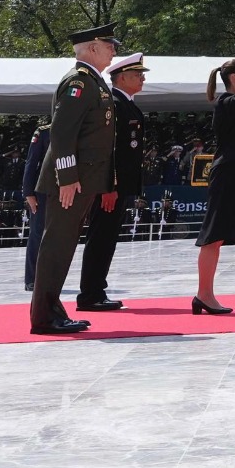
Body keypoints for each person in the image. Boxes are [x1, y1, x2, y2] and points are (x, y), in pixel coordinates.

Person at [28, 25, 119, 335]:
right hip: (70, 182)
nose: (113, 50)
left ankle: (51, 311)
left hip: (82, 181)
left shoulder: (93, 81)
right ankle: (45, 316)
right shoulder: (79, 82)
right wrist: (67, 177)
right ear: (92, 47)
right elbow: (62, 133)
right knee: (57, 246)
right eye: (109, 45)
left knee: (63, 247)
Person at [74, 52, 149, 310]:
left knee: (107, 237)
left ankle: (96, 290)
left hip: (119, 186)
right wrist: (110, 187)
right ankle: (91, 294)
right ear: (122, 77)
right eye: (137, 74)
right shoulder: (115, 104)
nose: (142, 79)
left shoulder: (126, 103)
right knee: (101, 237)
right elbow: (109, 150)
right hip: (111, 187)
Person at [194, 58, 235, 314]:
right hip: (227, 174)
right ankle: (204, 295)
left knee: (217, 238)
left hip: (234, 174)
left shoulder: (232, 105)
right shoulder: (226, 102)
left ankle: (205, 295)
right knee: (213, 236)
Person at [19, 119, 50, 291]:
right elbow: (31, 163)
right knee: (37, 234)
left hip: (64, 191)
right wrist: (28, 193)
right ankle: (31, 279)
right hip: (42, 190)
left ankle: (50, 277)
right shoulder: (44, 132)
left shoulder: (74, 130)